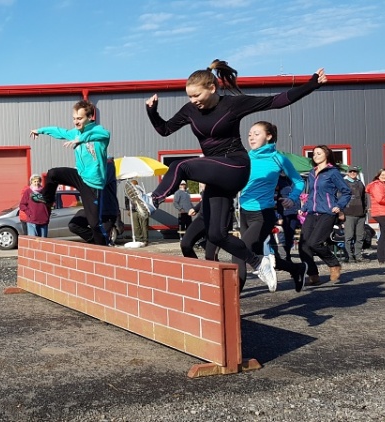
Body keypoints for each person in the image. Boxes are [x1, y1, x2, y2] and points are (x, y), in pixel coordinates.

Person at [138, 59, 327, 292]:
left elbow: (276, 101)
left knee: (180, 165)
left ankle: (153, 200)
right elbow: (165, 130)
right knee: (217, 234)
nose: (193, 100)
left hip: (235, 166)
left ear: (212, 88)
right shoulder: (190, 110)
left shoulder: (232, 104)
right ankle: (260, 263)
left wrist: (312, 84)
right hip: (217, 175)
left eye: (196, 95)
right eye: (189, 96)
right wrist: (152, 112)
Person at [232, 121, 307, 293]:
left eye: (256, 134)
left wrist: (292, 198)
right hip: (244, 212)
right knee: (256, 255)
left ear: (269, 136)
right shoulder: (246, 157)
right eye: (249, 134)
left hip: (263, 215)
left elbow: (298, 181)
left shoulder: (278, 158)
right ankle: (296, 269)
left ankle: (233, 297)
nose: (251, 137)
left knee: (239, 251)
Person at [30, 100, 111, 246]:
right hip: (79, 176)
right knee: (53, 174)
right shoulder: (74, 132)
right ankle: (47, 199)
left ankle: (103, 246)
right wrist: (40, 130)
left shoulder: (99, 132)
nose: (76, 122)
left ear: (90, 117)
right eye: (74, 118)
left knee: (94, 223)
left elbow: (104, 134)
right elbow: (59, 131)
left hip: (93, 184)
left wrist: (80, 139)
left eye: (79, 118)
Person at [298, 145, 351, 285]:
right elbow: (312, 194)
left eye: (319, 153)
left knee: (314, 243)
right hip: (312, 212)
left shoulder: (332, 172)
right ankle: (313, 274)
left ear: (326, 155)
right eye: (314, 154)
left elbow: (346, 191)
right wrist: (304, 207)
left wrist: (339, 206)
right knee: (303, 245)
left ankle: (334, 264)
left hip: (327, 212)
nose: (315, 156)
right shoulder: (312, 172)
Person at [68, 158, 120, 245]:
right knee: (74, 225)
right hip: (93, 209)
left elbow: (100, 180)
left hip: (107, 212)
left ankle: (101, 242)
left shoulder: (108, 167)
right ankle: (97, 239)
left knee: (102, 241)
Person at [365, 169, 385, 265]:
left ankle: (382, 258)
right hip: (382, 213)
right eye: (383, 175)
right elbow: (380, 199)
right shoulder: (377, 185)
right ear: (378, 176)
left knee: (384, 235)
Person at [342, 166, 368, 262]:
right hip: (348, 213)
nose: (353, 173)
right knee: (349, 236)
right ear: (348, 173)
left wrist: (365, 209)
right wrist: (341, 212)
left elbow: (364, 197)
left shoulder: (360, 183)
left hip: (361, 213)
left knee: (360, 236)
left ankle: (358, 256)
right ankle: (349, 256)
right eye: (351, 171)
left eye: (355, 171)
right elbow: (340, 197)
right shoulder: (344, 183)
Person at [277, 176, 301, 261]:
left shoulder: (294, 180)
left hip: (294, 212)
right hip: (283, 212)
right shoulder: (277, 180)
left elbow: (298, 197)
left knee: (290, 235)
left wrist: (299, 209)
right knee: (282, 236)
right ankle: (282, 257)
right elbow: (276, 197)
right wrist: (279, 216)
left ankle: (288, 255)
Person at [124, 179, 149, 246]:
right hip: (133, 210)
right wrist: (128, 209)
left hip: (142, 209)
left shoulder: (141, 191)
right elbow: (126, 201)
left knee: (144, 225)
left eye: (133, 184)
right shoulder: (128, 192)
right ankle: (138, 239)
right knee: (136, 226)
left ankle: (145, 240)